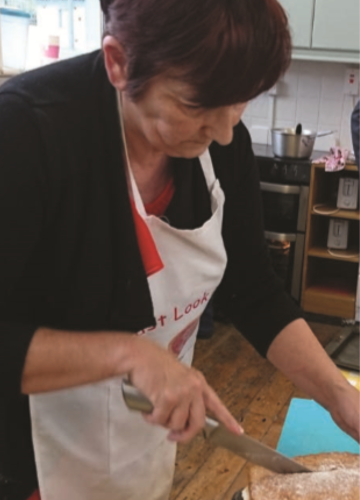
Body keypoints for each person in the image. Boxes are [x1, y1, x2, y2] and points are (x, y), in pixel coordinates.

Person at [0, 1, 358, 499]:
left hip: (140, 451)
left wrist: (341, 398)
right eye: (196, 106)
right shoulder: (25, 134)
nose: (226, 131)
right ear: (119, 62)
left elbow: (254, 292)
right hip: (27, 461)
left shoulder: (221, 144)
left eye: (241, 102)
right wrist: (130, 355)